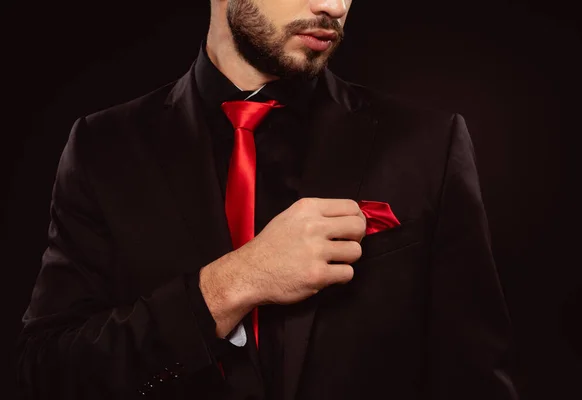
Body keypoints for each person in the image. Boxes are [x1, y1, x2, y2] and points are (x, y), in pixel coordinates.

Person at [17, 0, 518, 399]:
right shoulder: (104, 147)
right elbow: (50, 372)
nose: (334, 6)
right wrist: (236, 282)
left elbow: (474, 379)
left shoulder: (428, 143)